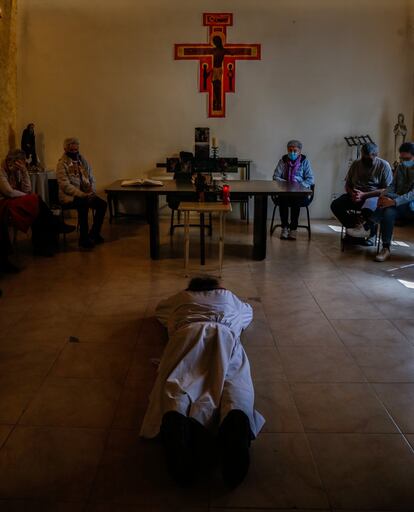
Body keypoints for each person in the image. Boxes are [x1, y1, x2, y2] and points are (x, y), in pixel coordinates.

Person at [140, 276, 265, 488]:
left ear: (191, 288)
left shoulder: (181, 298)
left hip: (185, 334)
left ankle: (176, 418)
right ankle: (236, 417)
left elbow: (160, 311)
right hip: (225, 335)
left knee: (177, 382)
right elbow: (248, 314)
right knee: (234, 381)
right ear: (219, 287)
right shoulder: (230, 298)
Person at [0, 149, 74, 272]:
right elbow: (9, 192)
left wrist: (24, 172)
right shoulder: (1, 171)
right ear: (10, 161)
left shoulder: (18, 170)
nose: (20, 166)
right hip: (4, 203)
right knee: (35, 200)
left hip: (15, 201)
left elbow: (27, 189)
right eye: (20, 163)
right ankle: (55, 224)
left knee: (37, 208)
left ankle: (43, 244)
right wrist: (28, 197)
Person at [331, 142, 393, 242]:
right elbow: (348, 184)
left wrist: (364, 195)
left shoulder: (384, 166)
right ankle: (354, 228)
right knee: (335, 205)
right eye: (363, 157)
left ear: (375, 155)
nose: (365, 161)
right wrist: (352, 194)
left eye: (368, 158)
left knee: (367, 210)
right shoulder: (356, 164)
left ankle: (369, 234)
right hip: (355, 195)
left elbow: (387, 190)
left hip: (374, 196)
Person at [56, 137, 107, 249]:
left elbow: (91, 177)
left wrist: (92, 191)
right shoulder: (62, 164)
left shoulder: (82, 161)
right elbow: (65, 186)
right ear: (66, 149)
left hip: (86, 194)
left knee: (102, 205)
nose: (75, 152)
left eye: (76, 149)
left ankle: (94, 234)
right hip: (69, 197)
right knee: (83, 204)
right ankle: (83, 239)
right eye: (72, 150)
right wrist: (82, 194)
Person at [370, 142, 414, 262]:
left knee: (388, 204)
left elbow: (412, 195)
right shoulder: (400, 167)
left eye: (407, 158)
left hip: (411, 207)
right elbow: (392, 186)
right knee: (388, 212)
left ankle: (368, 225)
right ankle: (386, 248)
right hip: (398, 203)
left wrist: (393, 201)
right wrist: (383, 195)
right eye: (401, 158)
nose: (404, 161)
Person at [272, 139, 314, 240]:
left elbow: (310, 179)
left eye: (295, 150)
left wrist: (299, 185)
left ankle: (293, 229)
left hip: (299, 193)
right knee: (283, 199)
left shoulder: (305, 162)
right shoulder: (283, 161)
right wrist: (287, 184)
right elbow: (275, 176)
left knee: (296, 199)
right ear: (287, 150)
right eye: (290, 150)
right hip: (285, 191)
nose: (292, 153)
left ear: (300, 151)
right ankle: (285, 228)